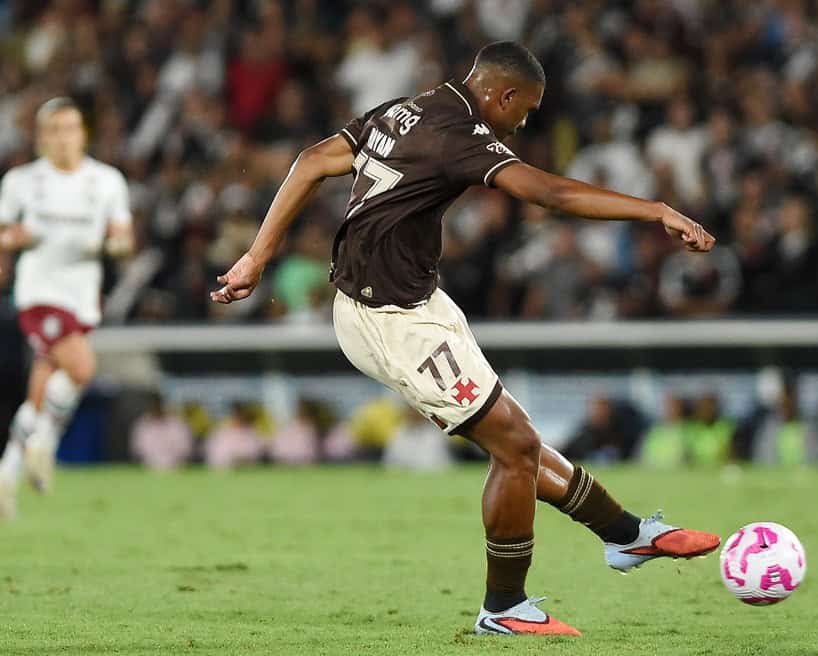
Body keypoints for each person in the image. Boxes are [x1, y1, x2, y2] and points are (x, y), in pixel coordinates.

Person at [211, 42, 718, 637]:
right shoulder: (459, 134)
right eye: (524, 112)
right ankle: (504, 607)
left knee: (519, 441)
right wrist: (656, 209)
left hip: (417, 303)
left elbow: (311, 159)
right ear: (503, 96)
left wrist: (255, 257)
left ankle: (627, 536)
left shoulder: (406, 110)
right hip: (390, 320)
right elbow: (550, 194)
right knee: (513, 445)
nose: (522, 123)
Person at [0, 98, 133, 518]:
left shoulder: (106, 180)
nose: (62, 137)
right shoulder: (22, 181)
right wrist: (14, 239)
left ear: (83, 133)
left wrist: (114, 244)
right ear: (41, 136)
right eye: (54, 129)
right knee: (82, 368)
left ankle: (7, 473)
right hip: (39, 292)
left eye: (70, 128)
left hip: (82, 295)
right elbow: (3, 233)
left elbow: (124, 237)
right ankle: (43, 445)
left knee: (43, 388)